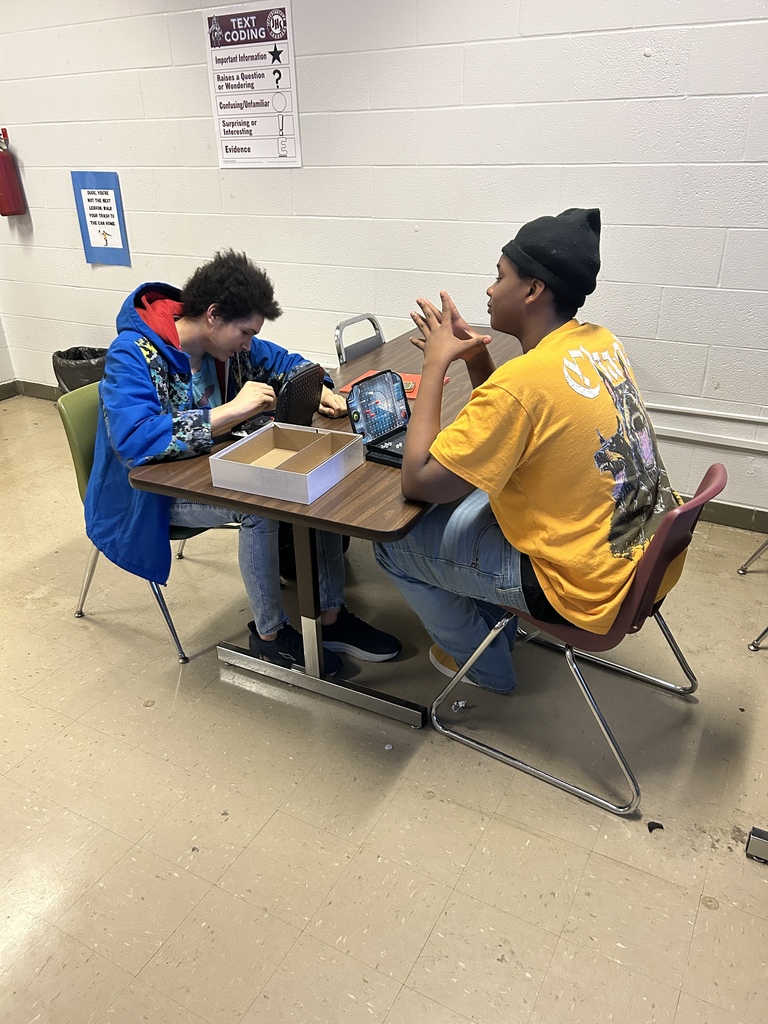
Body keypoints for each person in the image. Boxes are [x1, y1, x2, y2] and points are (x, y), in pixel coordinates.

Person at [374, 208, 678, 694]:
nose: (490, 291)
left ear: (533, 290)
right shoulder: (600, 342)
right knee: (479, 500)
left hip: (582, 587)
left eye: (500, 277)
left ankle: (485, 665)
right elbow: (522, 419)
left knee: (395, 545)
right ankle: (493, 616)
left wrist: (433, 365)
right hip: (641, 557)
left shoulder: (522, 383)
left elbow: (420, 480)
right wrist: (476, 355)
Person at [85, 249, 401, 675]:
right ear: (213, 315)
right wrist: (231, 411)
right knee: (259, 504)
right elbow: (134, 440)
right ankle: (269, 635)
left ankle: (330, 617)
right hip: (151, 494)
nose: (249, 344)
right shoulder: (133, 355)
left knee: (320, 481)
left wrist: (322, 386)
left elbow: (289, 362)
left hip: (214, 467)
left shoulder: (230, 348)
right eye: (246, 332)